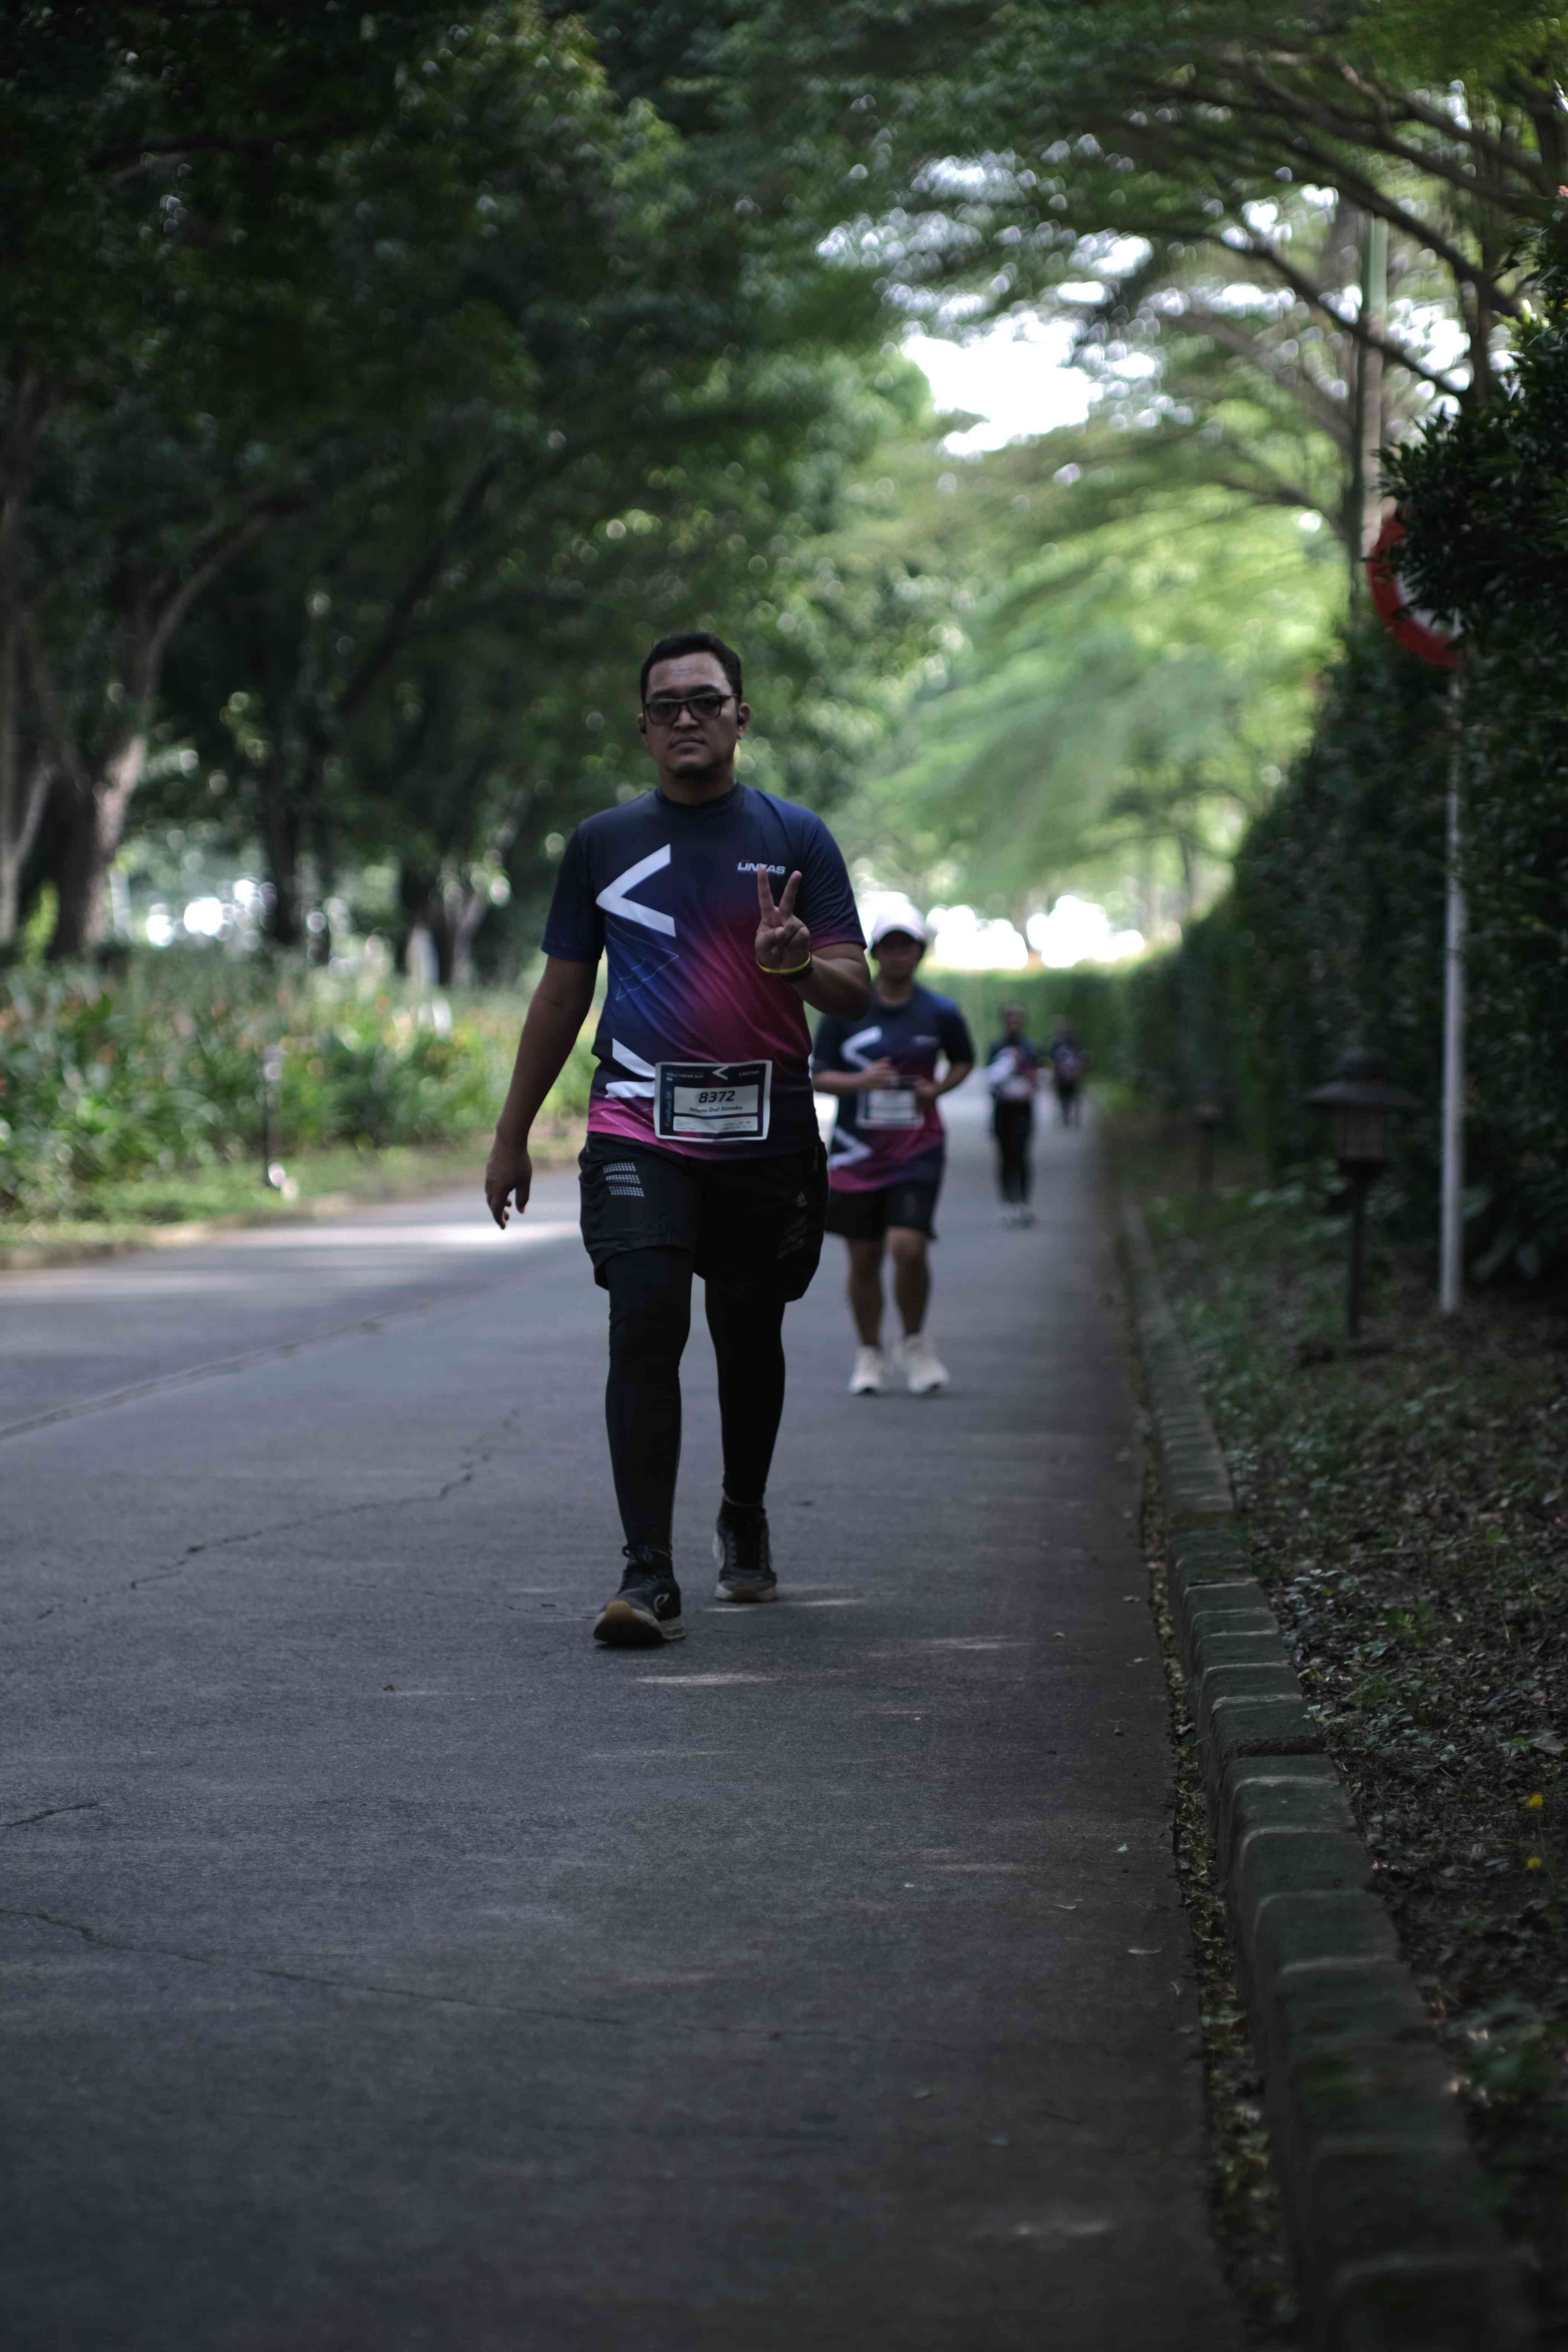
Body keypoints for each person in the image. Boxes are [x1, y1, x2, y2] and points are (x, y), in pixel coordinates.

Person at [483, 631, 870, 1646]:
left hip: (767, 1131)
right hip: (636, 1122)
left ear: (742, 715)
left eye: (705, 700)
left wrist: (796, 965)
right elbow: (562, 992)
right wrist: (511, 1134)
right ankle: (646, 1572)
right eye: (666, 706)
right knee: (646, 1317)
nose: (686, 718)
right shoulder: (602, 842)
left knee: (749, 1331)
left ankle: (743, 1511)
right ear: (643, 728)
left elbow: (854, 988)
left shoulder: (797, 836)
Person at [812, 902, 974, 1397]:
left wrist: (936, 1090)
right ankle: (870, 1354)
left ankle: (914, 1343)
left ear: (920, 952)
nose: (898, 954)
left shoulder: (940, 1011)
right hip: (855, 1154)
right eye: (890, 945)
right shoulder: (846, 1011)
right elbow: (818, 1075)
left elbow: (964, 1060)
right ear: (876, 953)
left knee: (908, 1247)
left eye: (907, 945)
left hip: (917, 1147)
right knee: (864, 1259)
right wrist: (861, 1081)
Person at [983, 1003, 1041, 1224]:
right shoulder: (996, 1047)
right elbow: (989, 1081)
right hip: (1002, 1112)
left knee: (1023, 1156)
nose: (1014, 1022)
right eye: (1011, 1018)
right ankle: (1007, 1204)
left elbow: (1039, 1078)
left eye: (1018, 1018)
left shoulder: (1032, 1048)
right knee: (1005, 1158)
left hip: (1024, 1112)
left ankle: (1024, 1204)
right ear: (1004, 1021)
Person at [1048, 1017, 1088, 1127]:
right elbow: (1052, 1058)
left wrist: (1080, 1068)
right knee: (1062, 1096)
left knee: (1075, 1096)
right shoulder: (1055, 1042)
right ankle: (1065, 1116)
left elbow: (1081, 1055)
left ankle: (1076, 1117)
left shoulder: (1074, 1040)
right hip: (1060, 1075)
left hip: (1074, 1074)